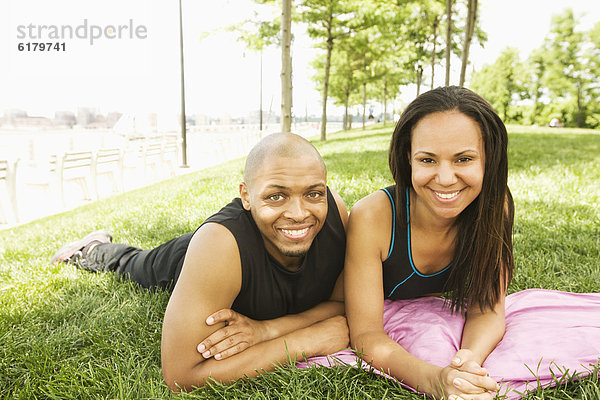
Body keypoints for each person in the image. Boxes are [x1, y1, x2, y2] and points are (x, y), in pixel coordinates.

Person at [51, 133, 350, 391]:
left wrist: (266, 331)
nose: (299, 213)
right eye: (276, 197)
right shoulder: (220, 246)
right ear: (246, 196)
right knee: (132, 264)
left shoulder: (336, 215)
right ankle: (92, 248)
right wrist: (304, 341)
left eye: (313, 193)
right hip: (183, 259)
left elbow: (340, 304)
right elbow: (181, 375)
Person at [344, 86, 514, 400]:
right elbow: (366, 334)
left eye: (463, 159)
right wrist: (435, 380)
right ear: (408, 159)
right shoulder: (373, 216)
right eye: (428, 160)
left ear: (489, 159)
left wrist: (465, 367)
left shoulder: (494, 207)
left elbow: (486, 310)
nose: (446, 178)